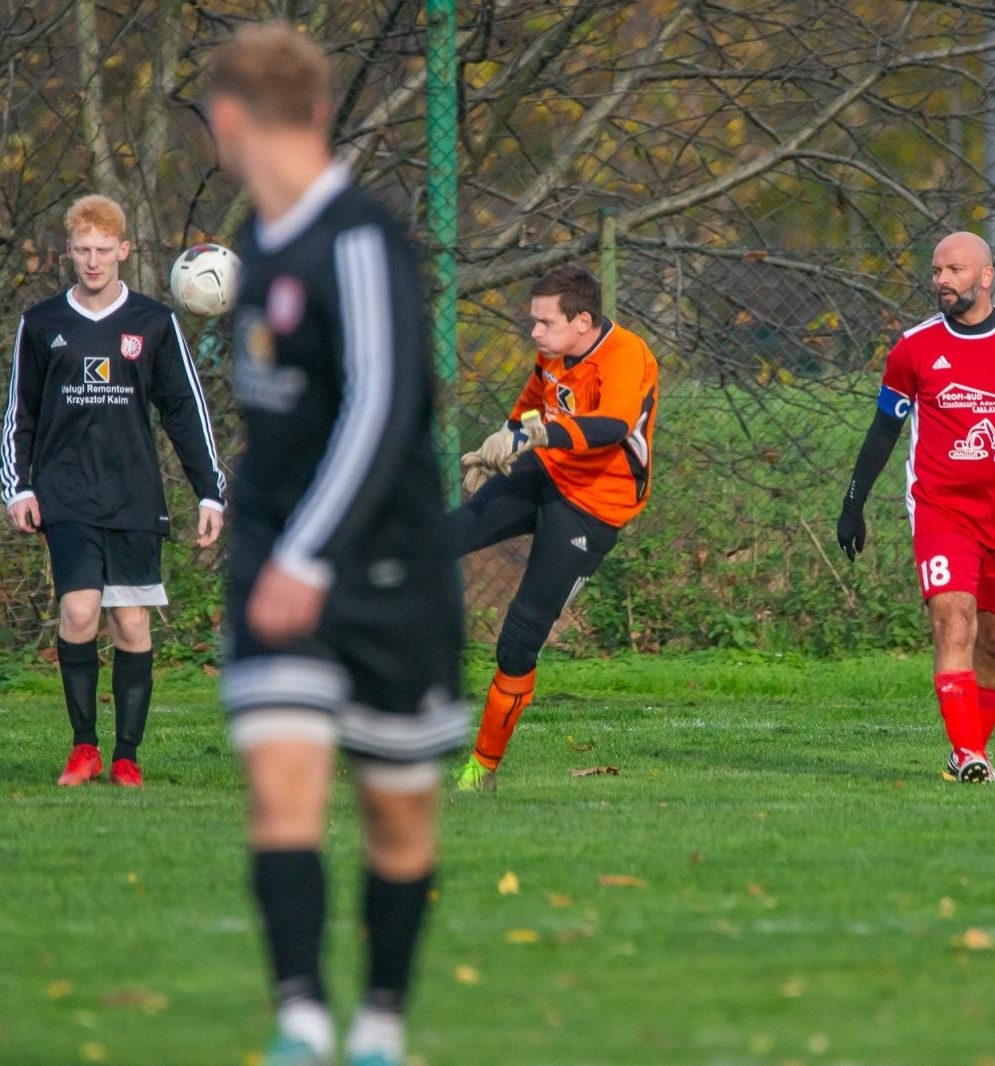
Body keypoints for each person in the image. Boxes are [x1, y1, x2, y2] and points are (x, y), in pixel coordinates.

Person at [205, 24, 465, 1066]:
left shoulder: (358, 237)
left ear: (226, 122)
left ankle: (382, 1025)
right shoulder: (254, 250)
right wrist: (266, 540)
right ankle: (303, 1019)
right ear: (315, 110)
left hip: (386, 569)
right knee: (282, 784)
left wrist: (310, 552)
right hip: (275, 563)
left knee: (396, 821)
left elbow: (386, 406)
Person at [836, 231, 995, 782]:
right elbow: (883, 430)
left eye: (953, 270)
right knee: (954, 623)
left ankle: (967, 750)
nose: (942, 281)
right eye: (936, 271)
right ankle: (971, 755)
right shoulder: (913, 348)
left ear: (985, 276)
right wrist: (853, 504)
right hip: (940, 510)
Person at [0, 194, 226, 789]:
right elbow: (18, 412)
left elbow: (185, 410)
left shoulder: (154, 322)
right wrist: (18, 487)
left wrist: (210, 493)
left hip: (132, 495)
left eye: (104, 250)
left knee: (129, 624)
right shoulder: (42, 323)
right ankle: (84, 748)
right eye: (82, 251)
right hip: (65, 492)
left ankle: (126, 755)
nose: (93, 261)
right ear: (68, 252)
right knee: (77, 610)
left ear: (123, 250)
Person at [449, 263, 660, 791]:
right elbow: (528, 410)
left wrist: (536, 434)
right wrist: (498, 444)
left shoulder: (626, 355)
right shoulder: (554, 356)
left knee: (519, 638)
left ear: (583, 320)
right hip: (547, 473)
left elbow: (612, 426)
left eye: (544, 322)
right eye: (534, 322)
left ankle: (481, 770)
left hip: (593, 507)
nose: (535, 333)